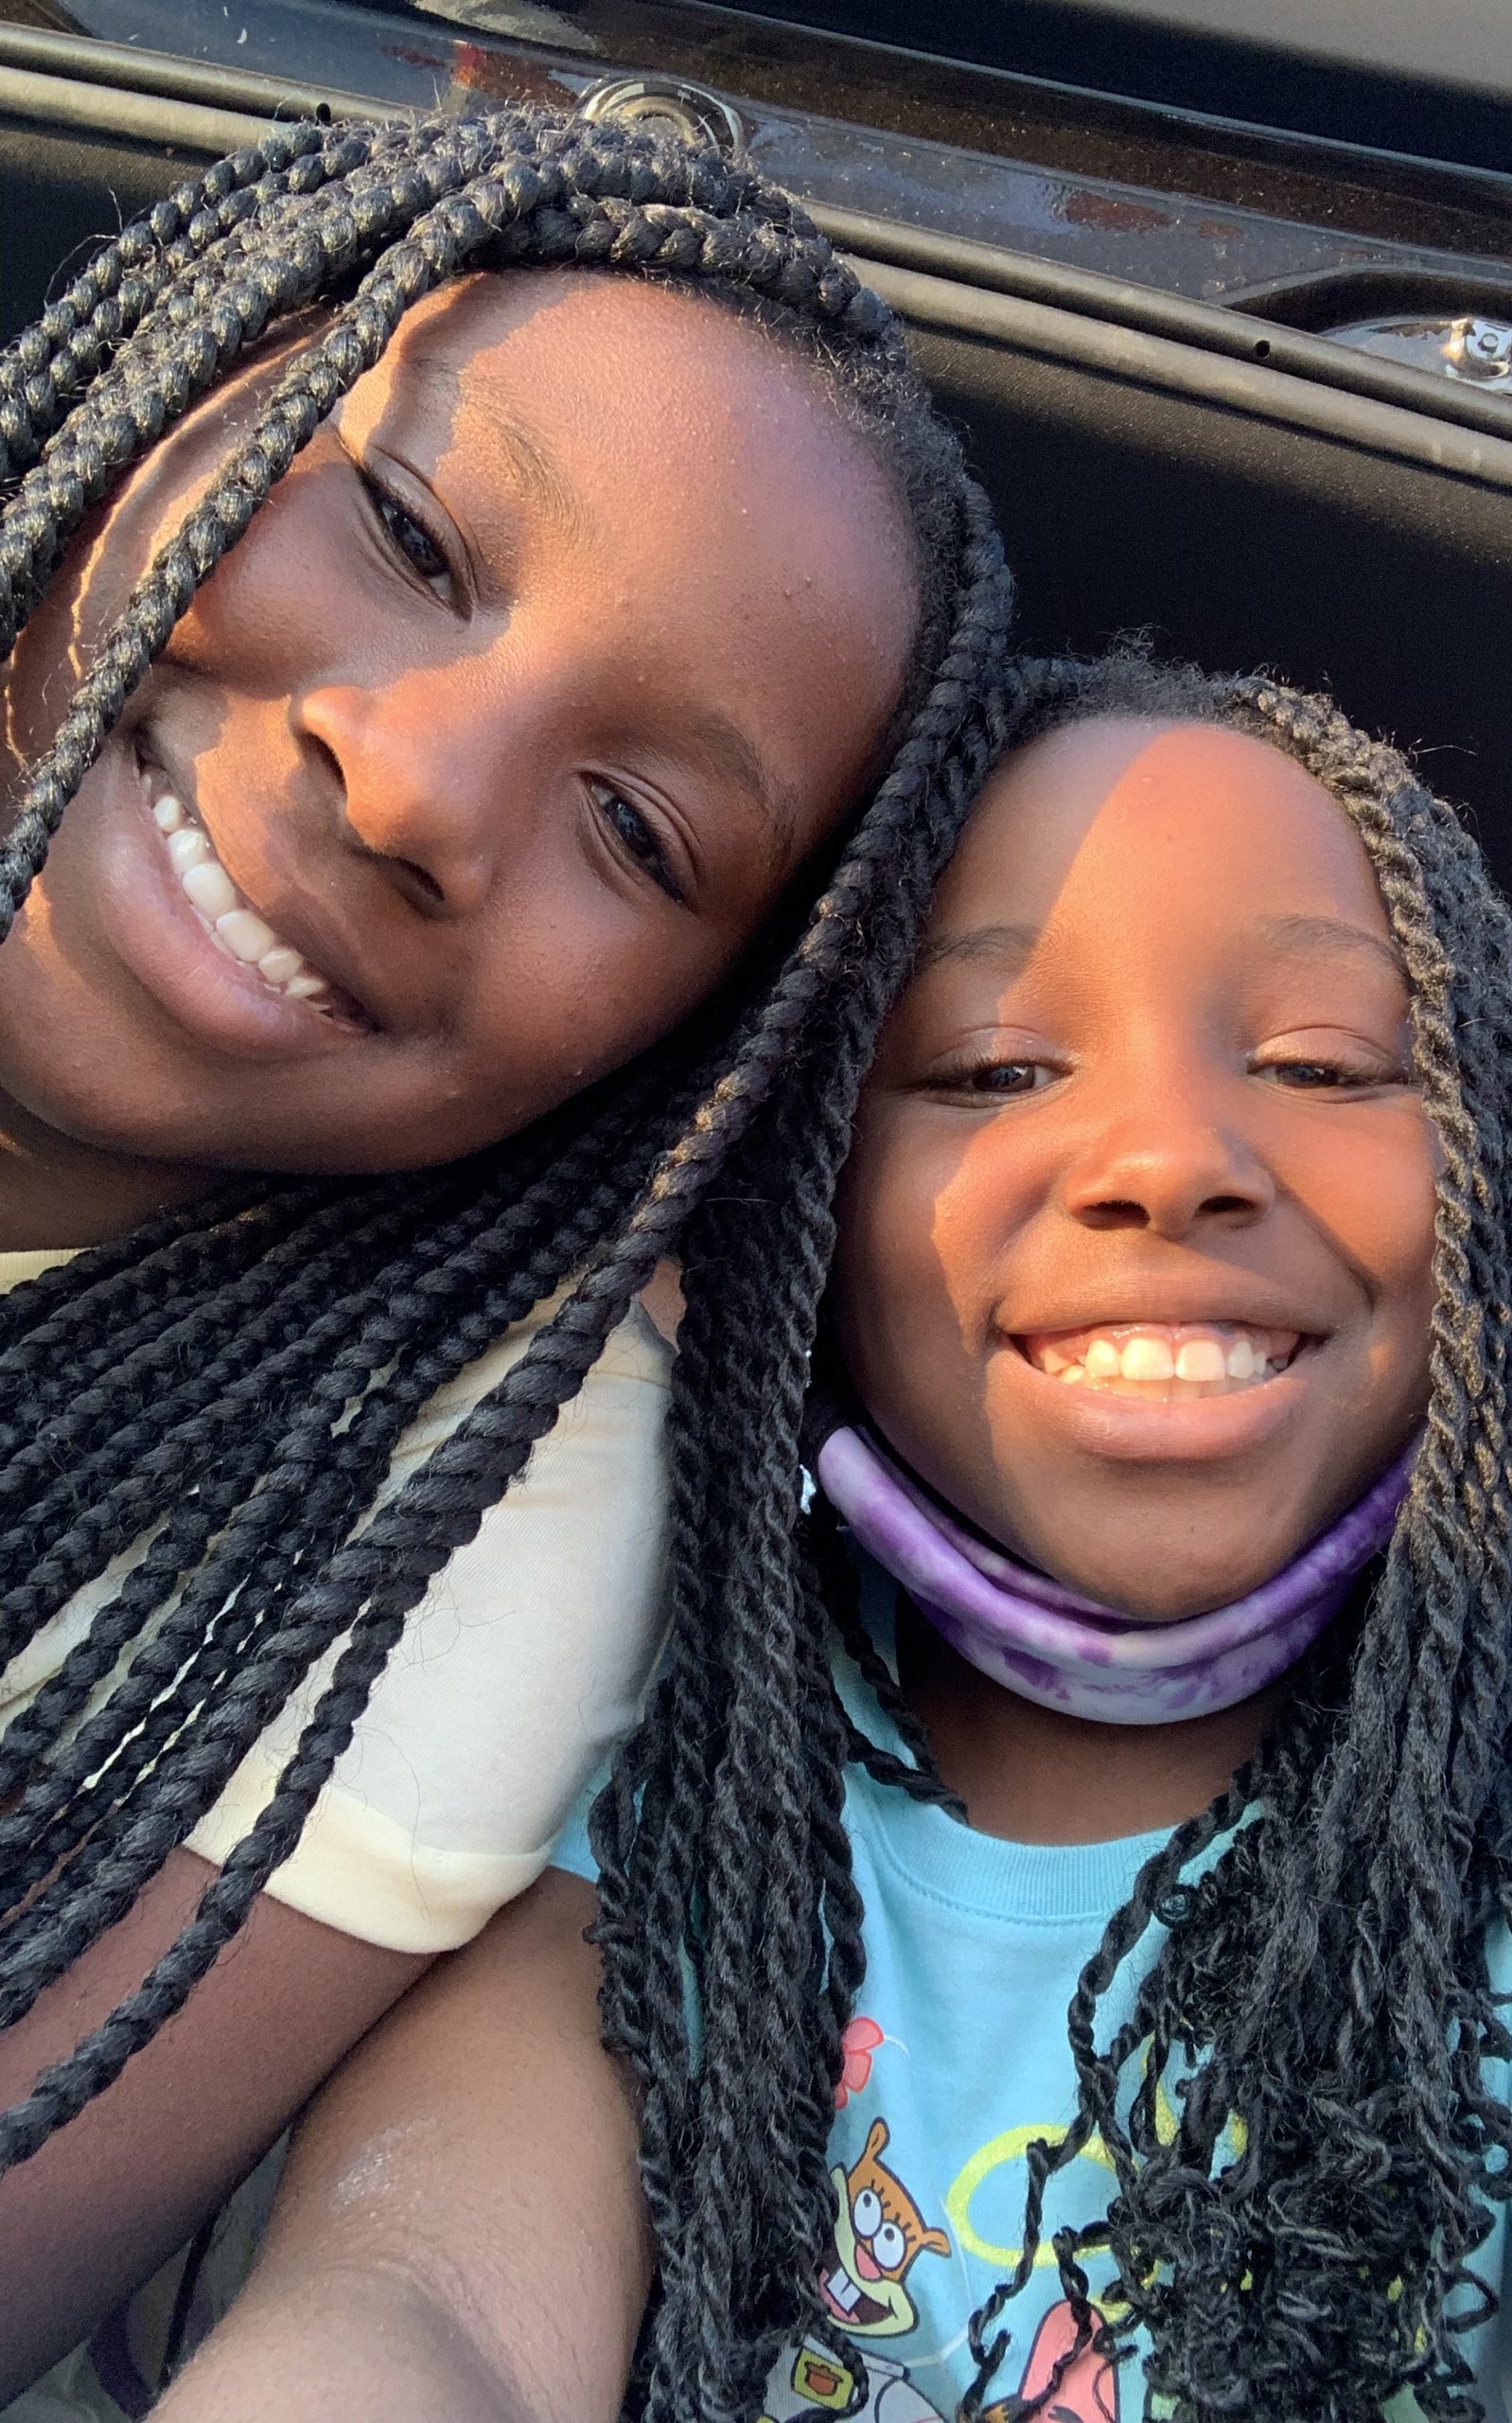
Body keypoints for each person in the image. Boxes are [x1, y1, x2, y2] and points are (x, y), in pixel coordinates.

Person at [154, 651, 1512, 2423]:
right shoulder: (660, 1746)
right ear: (798, 1210)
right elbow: (426, 2304)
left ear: (1488, 1197)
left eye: (1321, 1062)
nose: (1166, 1159)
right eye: (993, 1066)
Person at [0, 104, 1011, 2396]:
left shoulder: (481, 1497)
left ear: (685, 1047)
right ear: (176, 378)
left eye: (637, 829)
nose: (419, 785)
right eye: (405, 530)